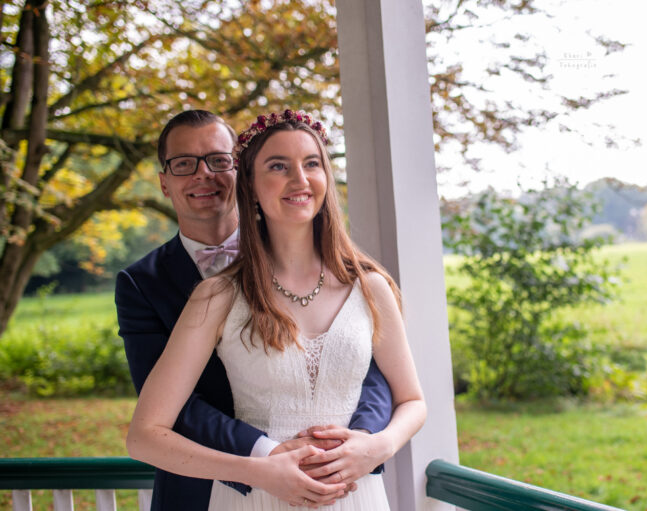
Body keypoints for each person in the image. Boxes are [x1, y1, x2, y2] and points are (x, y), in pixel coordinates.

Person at [126, 109, 426, 510]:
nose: (299, 180)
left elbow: (412, 400)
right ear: (248, 185)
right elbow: (144, 436)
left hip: (356, 496)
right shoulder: (218, 295)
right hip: (257, 496)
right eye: (279, 166)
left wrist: (378, 446)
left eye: (312, 164)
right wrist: (258, 471)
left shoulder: (371, 287)